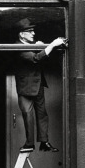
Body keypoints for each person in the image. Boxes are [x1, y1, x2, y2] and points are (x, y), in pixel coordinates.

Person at [14, 18, 68, 153]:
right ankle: (29, 144)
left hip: (38, 84)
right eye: (30, 31)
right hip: (26, 87)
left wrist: (41, 46)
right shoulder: (17, 46)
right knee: (28, 115)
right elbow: (35, 58)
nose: (33, 34)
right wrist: (52, 45)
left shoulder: (28, 44)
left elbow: (38, 56)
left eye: (33, 31)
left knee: (42, 114)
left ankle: (44, 142)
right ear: (21, 34)